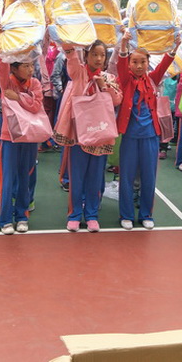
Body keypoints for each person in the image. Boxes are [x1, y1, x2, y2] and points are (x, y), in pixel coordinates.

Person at [54, 40, 122, 232]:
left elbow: (117, 100)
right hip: (79, 135)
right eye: (94, 54)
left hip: (101, 134)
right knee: (76, 177)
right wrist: (68, 40)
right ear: (86, 56)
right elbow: (71, 58)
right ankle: (75, 215)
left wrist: (104, 87)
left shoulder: (108, 78)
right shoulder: (79, 73)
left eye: (102, 55)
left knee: (95, 177)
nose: (99, 58)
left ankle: (92, 215)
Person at [116, 29, 177, 230]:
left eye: (143, 62)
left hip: (151, 135)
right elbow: (121, 63)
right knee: (126, 177)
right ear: (129, 64)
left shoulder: (152, 80)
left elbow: (164, 64)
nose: (139, 66)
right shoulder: (125, 80)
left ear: (148, 63)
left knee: (149, 177)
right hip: (130, 135)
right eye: (134, 62)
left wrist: (174, 46)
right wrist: (124, 44)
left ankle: (146, 214)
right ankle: (126, 214)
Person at [0, 57, 43, 235]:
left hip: (30, 137)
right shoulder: (6, 82)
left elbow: (36, 106)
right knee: (8, 179)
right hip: (10, 137)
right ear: (14, 68)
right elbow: (2, 66)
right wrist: (4, 49)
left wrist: (18, 97)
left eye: (31, 65)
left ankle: (22, 216)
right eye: (25, 66)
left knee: (25, 176)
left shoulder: (35, 83)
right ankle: (5, 220)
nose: (31, 69)